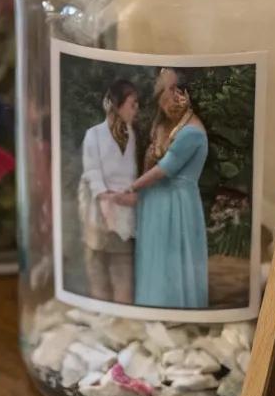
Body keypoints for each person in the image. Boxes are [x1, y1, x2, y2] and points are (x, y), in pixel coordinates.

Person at [130, 71, 209, 309]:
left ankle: (174, 310)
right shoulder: (162, 126)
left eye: (175, 90)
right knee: (154, 258)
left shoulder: (192, 132)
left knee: (172, 258)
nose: (170, 97)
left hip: (177, 203)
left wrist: (131, 188)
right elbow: (150, 164)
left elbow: (166, 168)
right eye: (165, 91)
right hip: (155, 201)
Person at [77, 80, 140, 304]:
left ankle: (122, 317)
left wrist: (131, 195)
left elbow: (132, 175)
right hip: (98, 214)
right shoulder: (93, 135)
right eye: (132, 104)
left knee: (122, 270)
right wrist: (109, 196)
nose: (136, 109)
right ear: (117, 105)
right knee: (97, 269)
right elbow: (92, 171)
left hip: (123, 215)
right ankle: (100, 317)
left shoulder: (131, 136)